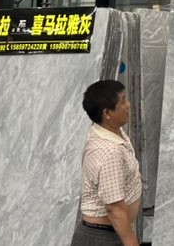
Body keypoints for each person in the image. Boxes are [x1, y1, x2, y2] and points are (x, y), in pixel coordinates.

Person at [70, 80, 142, 246]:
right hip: (103, 239)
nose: (128, 104)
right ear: (107, 113)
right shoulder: (109, 151)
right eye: (123, 101)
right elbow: (114, 209)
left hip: (109, 233)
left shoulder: (112, 132)